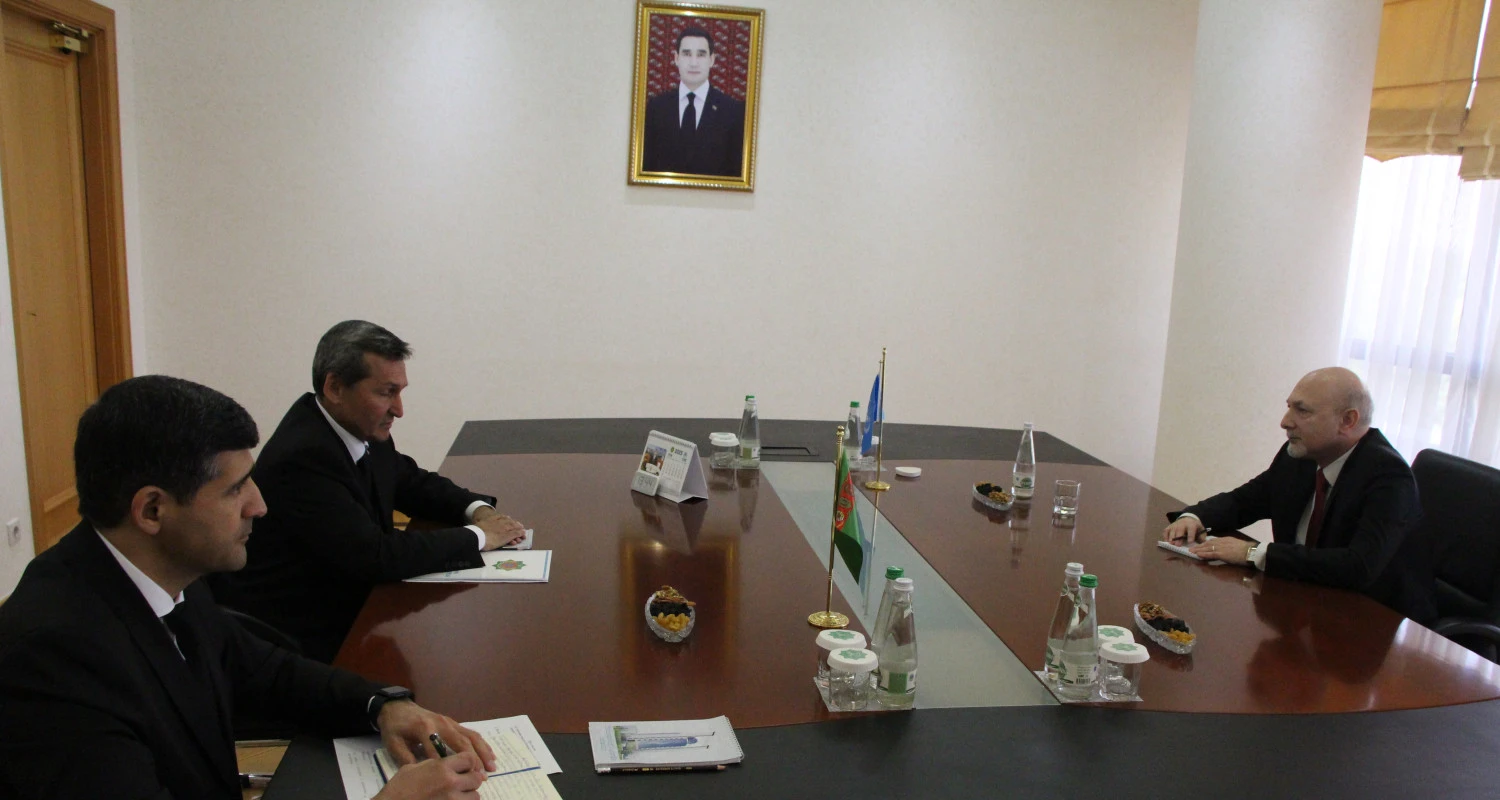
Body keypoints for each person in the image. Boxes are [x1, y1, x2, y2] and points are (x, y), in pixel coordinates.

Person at [0, 375, 497, 798]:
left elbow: (262, 669)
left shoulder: (167, 571)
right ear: (152, 509)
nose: (259, 505)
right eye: (235, 488)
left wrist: (383, 706)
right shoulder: (54, 659)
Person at [215, 320, 527, 663]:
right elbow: (376, 556)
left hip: (355, 607)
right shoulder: (303, 457)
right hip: (303, 640)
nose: (399, 410)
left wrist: (477, 510)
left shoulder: (358, 427)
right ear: (335, 387)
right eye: (386, 392)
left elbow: (410, 481)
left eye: (400, 391)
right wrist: (480, 537)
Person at [1162, 367, 1430, 618]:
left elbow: (1358, 566)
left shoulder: (1389, 477)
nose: (1285, 422)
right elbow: (1245, 501)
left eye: (1302, 411)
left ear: (1347, 420)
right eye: (1289, 407)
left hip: (1369, 620)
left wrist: (1253, 552)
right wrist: (1194, 517)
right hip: (1301, 603)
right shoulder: (1301, 456)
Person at [641, 25, 746, 177]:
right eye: (687, 54)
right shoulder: (656, 108)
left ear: (712, 60)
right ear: (676, 58)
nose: (694, 63)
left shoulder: (733, 112)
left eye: (701, 55)